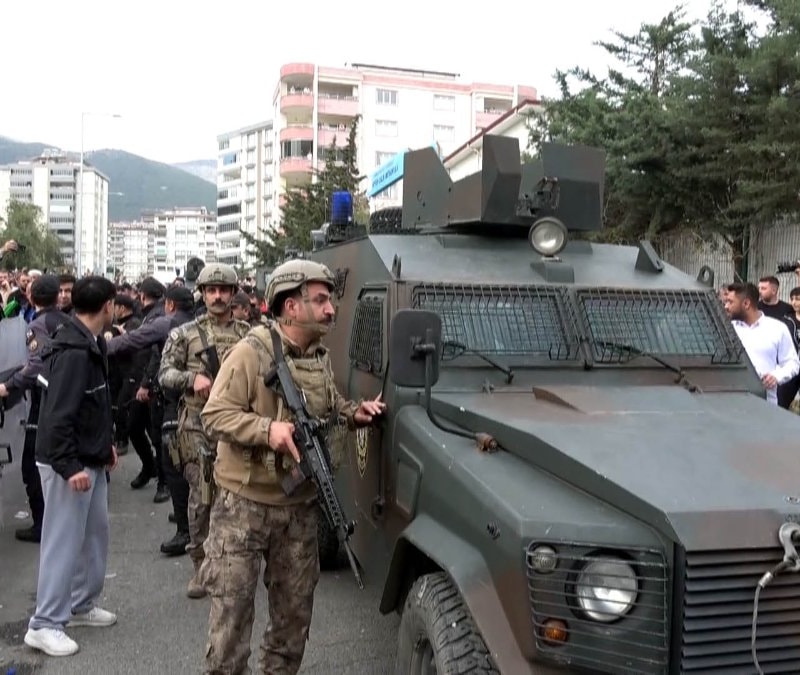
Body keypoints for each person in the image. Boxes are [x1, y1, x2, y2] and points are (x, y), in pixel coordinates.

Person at [199, 259, 386, 674]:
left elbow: (327, 407)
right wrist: (267, 430)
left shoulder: (318, 357)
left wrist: (354, 413)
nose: (330, 309)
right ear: (290, 307)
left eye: (329, 300)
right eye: (319, 300)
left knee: (293, 620)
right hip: (243, 507)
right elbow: (214, 415)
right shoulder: (250, 353)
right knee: (231, 621)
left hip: (298, 509)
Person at [24, 276, 119, 658]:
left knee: (94, 536)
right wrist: (68, 466)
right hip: (68, 461)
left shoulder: (88, 342)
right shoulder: (74, 351)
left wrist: (105, 445)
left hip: (88, 456)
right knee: (62, 544)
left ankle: (80, 604)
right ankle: (44, 624)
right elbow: (58, 416)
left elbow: (93, 404)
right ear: (108, 305)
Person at [158, 263, 251, 597]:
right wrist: (191, 378)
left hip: (237, 424)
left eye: (223, 290)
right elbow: (164, 374)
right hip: (198, 425)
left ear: (233, 293)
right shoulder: (184, 334)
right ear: (203, 293)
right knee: (202, 497)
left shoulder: (248, 334)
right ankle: (201, 565)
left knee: (238, 497)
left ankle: (231, 563)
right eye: (211, 290)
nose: (217, 296)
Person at [0, 274, 68, 542]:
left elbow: (38, 365)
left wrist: (8, 386)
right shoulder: (67, 320)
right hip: (64, 398)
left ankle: (43, 524)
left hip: (45, 401)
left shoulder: (38, 325)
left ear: (30, 296)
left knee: (32, 465)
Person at [725, 282, 800, 405]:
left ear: (746, 304)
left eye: (730, 302)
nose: (726, 306)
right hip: (730, 402)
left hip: (765, 404)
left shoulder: (777, 328)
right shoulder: (726, 329)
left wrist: (776, 376)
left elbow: (792, 363)